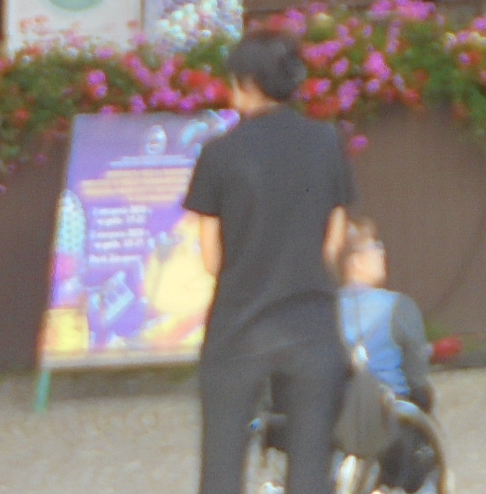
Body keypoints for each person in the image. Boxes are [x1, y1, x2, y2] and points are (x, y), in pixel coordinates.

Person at [182, 29, 354, 494]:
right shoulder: (325, 142)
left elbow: (212, 258)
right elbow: (333, 240)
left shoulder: (219, 154)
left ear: (246, 83)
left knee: (221, 469)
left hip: (238, 327)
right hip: (312, 325)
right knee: (311, 470)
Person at [340, 218, 437, 493]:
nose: (382, 253)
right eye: (375, 246)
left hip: (332, 423)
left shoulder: (322, 310)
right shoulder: (397, 307)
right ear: (355, 262)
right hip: (388, 424)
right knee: (425, 455)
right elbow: (417, 381)